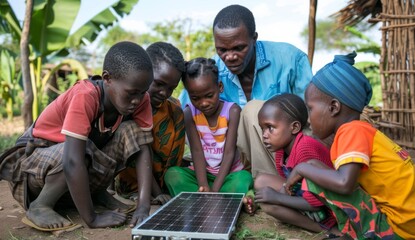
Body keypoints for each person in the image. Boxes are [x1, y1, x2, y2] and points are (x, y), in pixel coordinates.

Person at [0, 41, 154, 230]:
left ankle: (96, 194)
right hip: (32, 169)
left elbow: (144, 149)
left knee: (132, 131)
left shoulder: (140, 98)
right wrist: (92, 219)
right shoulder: (85, 95)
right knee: (82, 147)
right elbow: (72, 160)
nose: (137, 100)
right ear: (107, 78)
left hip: (75, 169)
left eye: (142, 92)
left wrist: (143, 207)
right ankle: (41, 205)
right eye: (131, 93)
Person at [285, 52, 415, 239]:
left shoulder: (351, 132)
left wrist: (302, 168)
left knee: (313, 178)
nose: (308, 118)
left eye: (310, 108)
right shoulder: (362, 130)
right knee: (315, 168)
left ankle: (350, 232)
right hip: (408, 226)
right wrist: (307, 166)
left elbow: (344, 184)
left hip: (396, 231)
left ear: (334, 107)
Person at [179, 4, 313, 177]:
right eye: (222, 50)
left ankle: (274, 183)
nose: (230, 56)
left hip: (291, 158)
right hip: (235, 163)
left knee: (252, 110)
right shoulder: (209, 73)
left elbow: (312, 119)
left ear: (254, 38)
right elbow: (186, 108)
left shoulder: (291, 60)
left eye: (239, 48)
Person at [165, 58, 253, 206]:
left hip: (228, 175)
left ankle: (207, 198)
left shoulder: (233, 111)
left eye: (209, 96)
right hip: (202, 173)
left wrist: (215, 190)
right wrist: (204, 186)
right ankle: (211, 197)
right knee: (172, 175)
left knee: (243, 178)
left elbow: (229, 152)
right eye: (195, 98)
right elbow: (197, 151)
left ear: (219, 87)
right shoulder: (188, 113)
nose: (204, 103)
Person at [253, 93, 338, 233]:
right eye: (263, 128)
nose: (264, 135)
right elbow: (289, 184)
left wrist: (278, 197)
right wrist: (281, 195)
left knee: (269, 205)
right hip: (306, 192)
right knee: (261, 181)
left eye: (270, 127)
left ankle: (327, 229)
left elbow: (317, 203)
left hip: (329, 206)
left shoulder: (305, 149)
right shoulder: (282, 148)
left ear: (294, 127)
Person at [115, 41, 186, 205]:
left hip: (164, 184)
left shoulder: (174, 111)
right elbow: (136, 154)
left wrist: (164, 190)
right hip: (129, 185)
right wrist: (157, 193)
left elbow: (174, 159)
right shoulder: (126, 106)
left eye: (171, 88)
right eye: (159, 84)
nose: (164, 93)